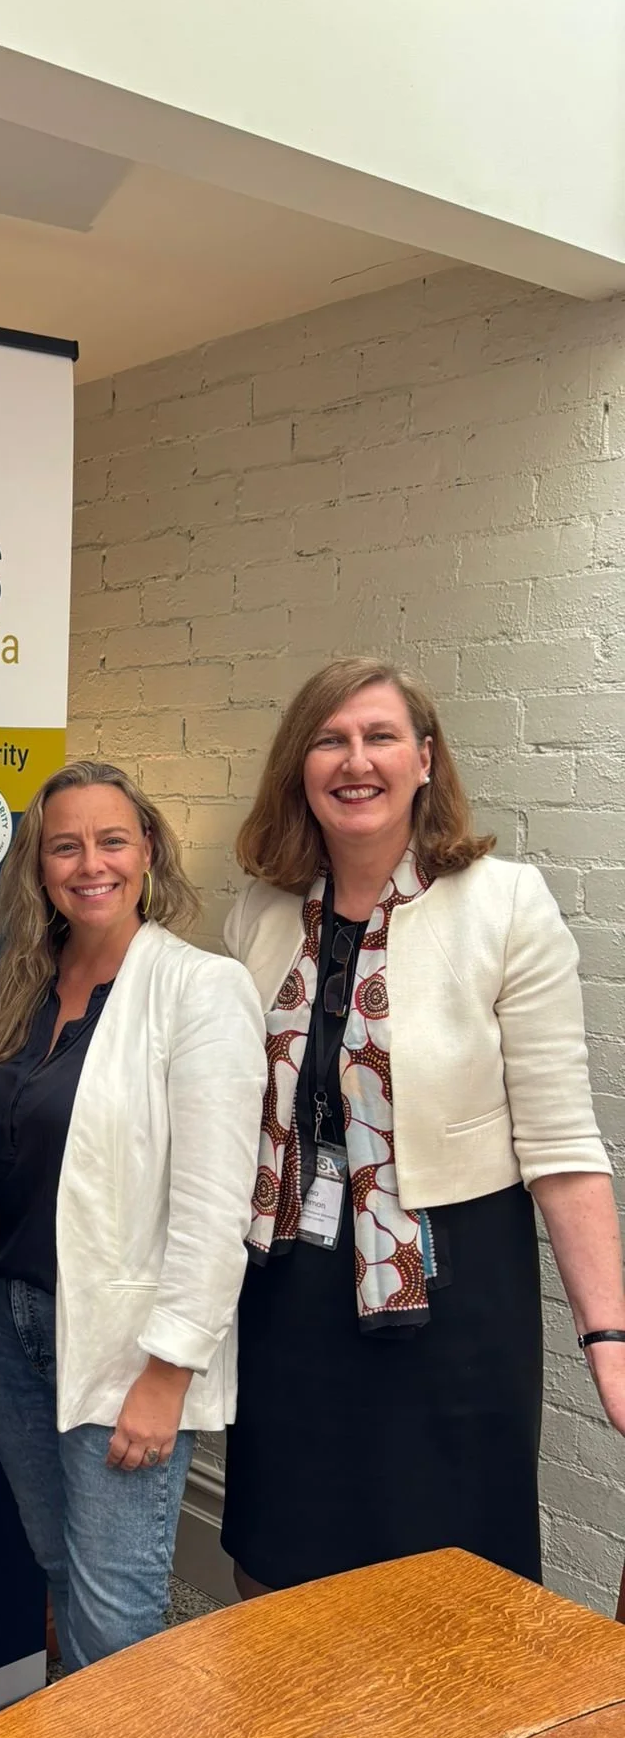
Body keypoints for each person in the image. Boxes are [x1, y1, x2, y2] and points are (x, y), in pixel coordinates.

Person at [223, 656, 625, 1596]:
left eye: (380, 736)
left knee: (448, 1592)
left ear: (425, 760)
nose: (355, 761)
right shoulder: (260, 915)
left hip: (450, 1299)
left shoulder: (504, 905)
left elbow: (562, 1147)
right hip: (288, 1294)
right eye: (329, 740)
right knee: (283, 1571)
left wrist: (607, 1335)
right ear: (299, 766)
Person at [0, 762, 266, 1671]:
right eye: (65, 847)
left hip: (126, 1346)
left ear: (147, 850)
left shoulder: (200, 989)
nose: (91, 865)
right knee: (60, 1566)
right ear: (38, 866)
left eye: (112, 841)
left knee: (116, 1610)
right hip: (8, 1321)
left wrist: (168, 1374)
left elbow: (215, 1204)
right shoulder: (24, 987)